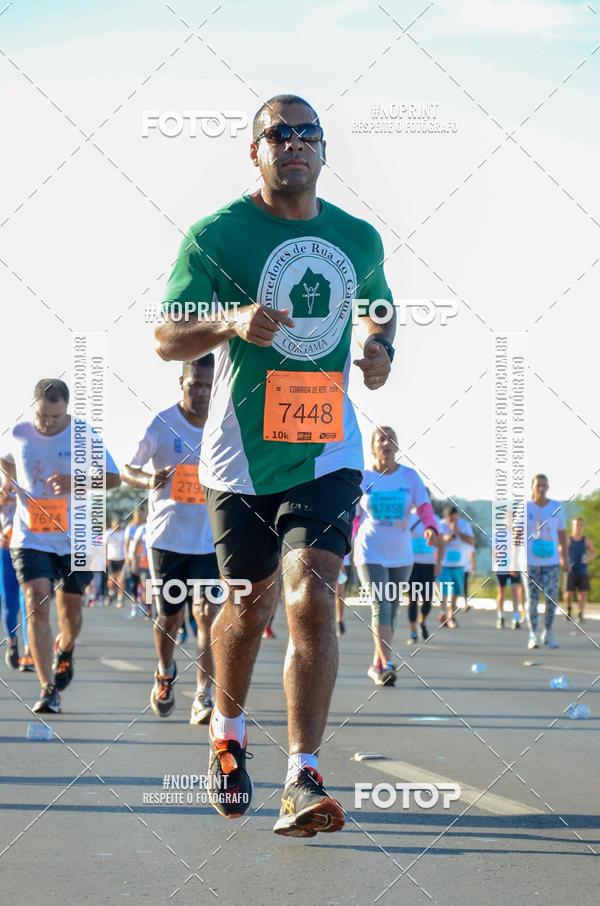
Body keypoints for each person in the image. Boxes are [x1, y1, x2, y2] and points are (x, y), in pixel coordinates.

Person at [155, 93, 395, 836]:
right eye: (277, 133)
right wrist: (229, 320)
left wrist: (380, 349)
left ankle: (303, 775)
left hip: (328, 448)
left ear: (323, 149)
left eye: (306, 133)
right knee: (248, 603)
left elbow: (379, 308)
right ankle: (227, 734)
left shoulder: (356, 237)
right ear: (255, 151)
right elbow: (166, 337)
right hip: (240, 458)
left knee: (310, 594)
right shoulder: (216, 235)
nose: (294, 143)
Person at [0, 379, 120, 713]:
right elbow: (5, 460)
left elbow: (114, 478)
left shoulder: (83, 434)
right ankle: (47, 688)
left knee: (70, 612)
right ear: (34, 407)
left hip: (77, 537)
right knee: (35, 602)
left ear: (66, 409)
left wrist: (78, 481)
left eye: (55, 417)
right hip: (31, 536)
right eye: (43, 416)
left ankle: (65, 648)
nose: (48, 423)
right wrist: (10, 483)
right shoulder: (19, 433)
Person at [121, 356, 220, 725]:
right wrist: (149, 479)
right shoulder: (162, 424)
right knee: (171, 616)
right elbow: (127, 469)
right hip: (167, 538)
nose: (202, 393)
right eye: (195, 385)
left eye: (209, 386)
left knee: (207, 614)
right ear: (182, 383)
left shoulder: (225, 423)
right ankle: (164, 672)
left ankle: (204, 694)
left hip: (209, 538)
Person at [354, 427, 438, 682]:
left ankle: (376, 664)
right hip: (370, 551)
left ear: (397, 446)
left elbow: (424, 506)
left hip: (401, 554)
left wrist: (430, 527)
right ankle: (388, 664)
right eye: (381, 439)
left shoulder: (409, 477)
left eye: (391, 439)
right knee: (380, 605)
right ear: (373, 447)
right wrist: (344, 547)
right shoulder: (363, 477)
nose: (387, 443)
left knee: (391, 608)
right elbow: (355, 517)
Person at [525, 474, 568, 650]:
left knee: (551, 598)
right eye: (538, 486)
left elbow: (562, 534)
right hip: (531, 562)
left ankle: (548, 632)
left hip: (551, 561)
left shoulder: (555, 507)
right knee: (532, 600)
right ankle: (533, 634)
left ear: (548, 487)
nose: (541, 489)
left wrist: (565, 557)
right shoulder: (525, 508)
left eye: (544, 485)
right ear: (532, 488)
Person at [408, 505, 444, 643]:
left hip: (429, 564)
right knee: (413, 599)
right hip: (412, 564)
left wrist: (439, 563)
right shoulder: (408, 517)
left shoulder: (434, 519)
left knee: (427, 599)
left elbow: (441, 543)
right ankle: (413, 633)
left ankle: (422, 622)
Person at [439, 504, 475, 628]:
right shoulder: (441, 524)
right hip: (444, 563)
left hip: (459, 564)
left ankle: (451, 616)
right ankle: (442, 612)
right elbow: (434, 541)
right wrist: (446, 538)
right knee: (444, 590)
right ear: (446, 518)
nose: (452, 521)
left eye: (454, 519)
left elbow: (472, 541)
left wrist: (458, 532)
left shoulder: (464, 525)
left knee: (454, 592)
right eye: (450, 519)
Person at [564, 517, 596, 624]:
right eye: (576, 525)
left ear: (583, 526)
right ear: (572, 526)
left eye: (580, 525)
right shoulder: (568, 539)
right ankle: (569, 610)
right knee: (568, 593)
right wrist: (565, 563)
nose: (578, 527)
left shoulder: (586, 540)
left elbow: (594, 552)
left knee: (582, 593)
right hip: (570, 570)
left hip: (582, 570)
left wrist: (588, 558)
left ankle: (580, 614)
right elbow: (560, 552)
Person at [123, 507, 146, 617]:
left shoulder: (147, 526)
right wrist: (127, 557)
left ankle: (146, 606)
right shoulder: (131, 528)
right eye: (138, 515)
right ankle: (134, 605)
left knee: (146, 584)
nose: (140, 517)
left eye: (141, 514)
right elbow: (127, 544)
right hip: (134, 559)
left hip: (145, 559)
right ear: (134, 515)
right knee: (134, 583)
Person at [106, 517, 125, 607]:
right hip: (111, 559)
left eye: (118, 523)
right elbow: (104, 546)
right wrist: (106, 558)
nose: (117, 525)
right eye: (115, 523)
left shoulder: (124, 533)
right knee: (111, 580)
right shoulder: (109, 533)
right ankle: (111, 593)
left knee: (121, 580)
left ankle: (120, 599)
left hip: (122, 559)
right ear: (112, 524)